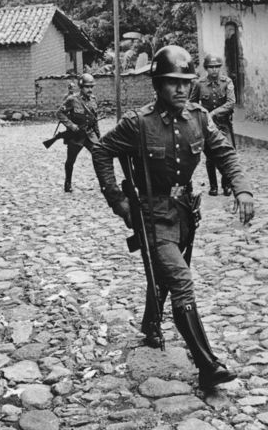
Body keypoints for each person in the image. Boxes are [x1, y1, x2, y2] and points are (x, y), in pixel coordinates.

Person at [92, 45, 255, 390]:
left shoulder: (198, 117)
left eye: (185, 82)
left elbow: (224, 153)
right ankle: (208, 365)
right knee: (180, 280)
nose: (180, 89)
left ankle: (151, 326)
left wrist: (242, 189)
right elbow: (102, 150)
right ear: (157, 85)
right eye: (172, 83)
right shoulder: (138, 124)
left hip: (184, 215)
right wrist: (118, 201)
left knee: (165, 275)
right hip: (150, 216)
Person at [190, 54, 236, 196]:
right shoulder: (199, 84)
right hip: (208, 125)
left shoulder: (227, 82)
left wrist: (214, 113)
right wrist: (202, 116)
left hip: (223, 123)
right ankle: (213, 186)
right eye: (211, 67)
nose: (214, 70)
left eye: (217, 67)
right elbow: (192, 103)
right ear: (206, 69)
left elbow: (231, 102)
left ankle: (226, 185)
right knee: (210, 156)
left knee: (228, 153)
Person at [57, 73, 101, 193]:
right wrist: (71, 125)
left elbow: (94, 119)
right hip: (76, 136)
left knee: (99, 157)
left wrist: (98, 136)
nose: (90, 89)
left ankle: (104, 184)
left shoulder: (93, 99)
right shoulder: (72, 100)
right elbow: (59, 113)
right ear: (81, 87)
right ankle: (68, 183)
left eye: (92, 87)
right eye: (87, 87)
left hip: (90, 134)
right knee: (71, 160)